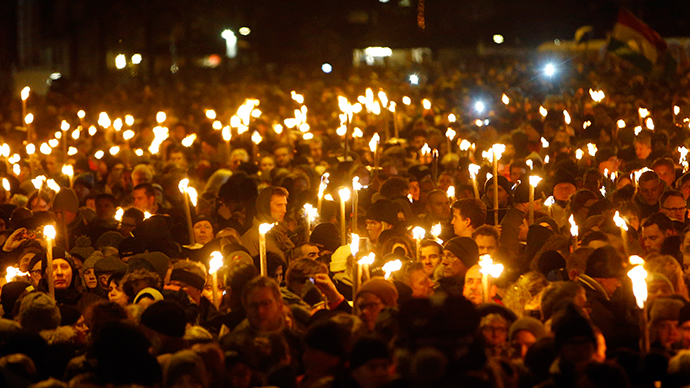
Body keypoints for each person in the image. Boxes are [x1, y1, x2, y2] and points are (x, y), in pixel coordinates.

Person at [241, 186, 294, 262]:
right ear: (265, 206)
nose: (284, 210)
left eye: (285, 205)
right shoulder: (252, 238)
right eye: (279, 205)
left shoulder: (283, 233)